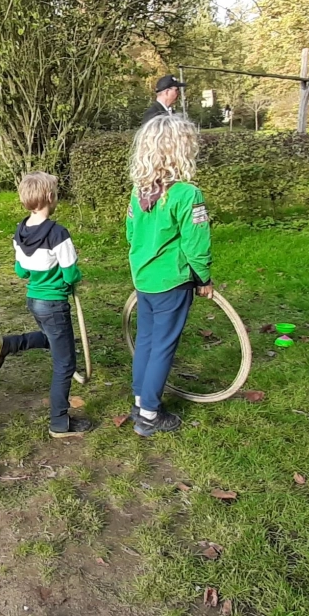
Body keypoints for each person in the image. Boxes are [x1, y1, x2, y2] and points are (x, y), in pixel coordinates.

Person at [126, 115, 214, 437]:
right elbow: (196, 243)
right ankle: (149, 414)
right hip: (172, 283)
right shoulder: (187, 194)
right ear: (182, 150)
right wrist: (203, 278)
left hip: (145, 281)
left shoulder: (139, 191)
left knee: (147, 342)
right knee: (162, 347)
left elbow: (131, 233)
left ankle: (139, 401)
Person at [0, 172, 91, 438]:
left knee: (50, 338)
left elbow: (21, 270)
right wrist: (74, 278)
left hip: (34, 300)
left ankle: (11, 343)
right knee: (65, 364)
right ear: (50, 197)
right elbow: (70, 273)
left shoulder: (20, 231)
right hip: (54, 303)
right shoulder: (58, 234)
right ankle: (59, 422)